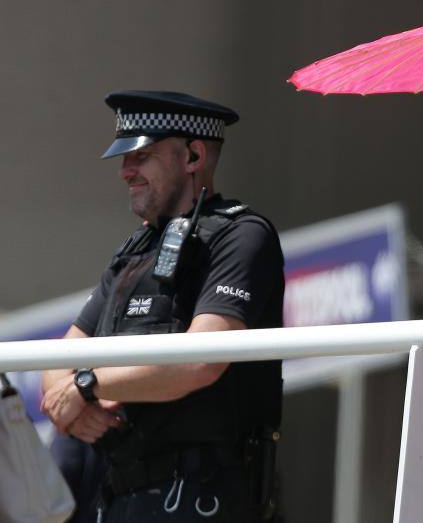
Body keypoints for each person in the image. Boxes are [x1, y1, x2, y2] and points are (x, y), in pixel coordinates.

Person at [40, 91, 285, 522]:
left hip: (204, 499)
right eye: (124, 158)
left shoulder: (241, 236)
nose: (125, 172)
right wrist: (76, 411)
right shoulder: (136, 248)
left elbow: (200, 362)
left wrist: (84, 388)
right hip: (121, 498)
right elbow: (56, 363)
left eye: (143, 156)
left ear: (193, 155)